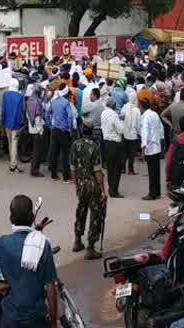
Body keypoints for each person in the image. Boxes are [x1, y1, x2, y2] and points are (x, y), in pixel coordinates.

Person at [0, 195, 59, 328]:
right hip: (36, 319)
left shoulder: (2, 244)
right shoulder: (42, 245)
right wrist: (54, 322)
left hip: (10, 319)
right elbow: (51, 288)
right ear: (32, 217)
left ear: (11, 218)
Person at [71, 126, 107, 259]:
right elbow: (97, 171)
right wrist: (103, 190)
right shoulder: (94, 146)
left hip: (81, 185)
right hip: (93, 186)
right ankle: (90, 247)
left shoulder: (75, 145)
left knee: (81, 211)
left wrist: (77, 185)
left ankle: (77, 240)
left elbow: (73, 168)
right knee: (95, 215)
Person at [47, 84, 74, 183]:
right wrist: (70, 129)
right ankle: (66, 177)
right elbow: (70, 117)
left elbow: (47, 113)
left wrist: (50, 125)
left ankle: (53, 175)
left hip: (54, 130)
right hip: (63, 131)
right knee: (65, 154)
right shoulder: (66, 103)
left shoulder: (54, 102)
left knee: (54, 152)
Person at [140, 98, 165, 201]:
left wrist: (143, 146)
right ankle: (157, 192)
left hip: (150, 147)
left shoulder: (145, 117)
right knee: (156, 170)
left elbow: (145, 132)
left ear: (142, 107)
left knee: (151, 171)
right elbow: (161, 128)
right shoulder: (154, 114)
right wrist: (161, 139)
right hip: (156, 145)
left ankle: (152, 193)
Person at [100, 97, 125, 198]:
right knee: (116, 168)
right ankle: (114, 190)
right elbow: (120, 130)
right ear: (113, 105)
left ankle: (111, 188)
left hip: (106, 142)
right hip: (115, 144)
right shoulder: (114, 115)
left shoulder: (103, 113)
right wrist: (122, 121)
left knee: (110, 168)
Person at [0, 78, 25, 173]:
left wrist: (2, 122)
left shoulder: (5, 95)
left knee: (10, 143)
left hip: (7, 122)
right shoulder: (19, 96)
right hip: (16, 123)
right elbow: (20, 112)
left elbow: (3, 109)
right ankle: (13, 165)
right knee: (14, 143)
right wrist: (21, 123)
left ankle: (13, 163)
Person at [26, 83, 46, 177]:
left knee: (34, 150)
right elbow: (37, 117)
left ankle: (33, 169)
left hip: (31, 128)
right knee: (37, 151)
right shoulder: (37, 101)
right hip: (37, 129)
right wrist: (40, 130)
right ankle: (35, 170)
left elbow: (28, 115)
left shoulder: (30, 99)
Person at [120, 90, 141, 175]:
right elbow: (139, 123)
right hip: (133, 134)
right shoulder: (137, 110)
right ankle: (130, 170)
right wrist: (139, 133)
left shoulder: (124, 107)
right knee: (132, 153)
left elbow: (121, 118)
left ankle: (122, 169)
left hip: (125, 132)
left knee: (124, 152)